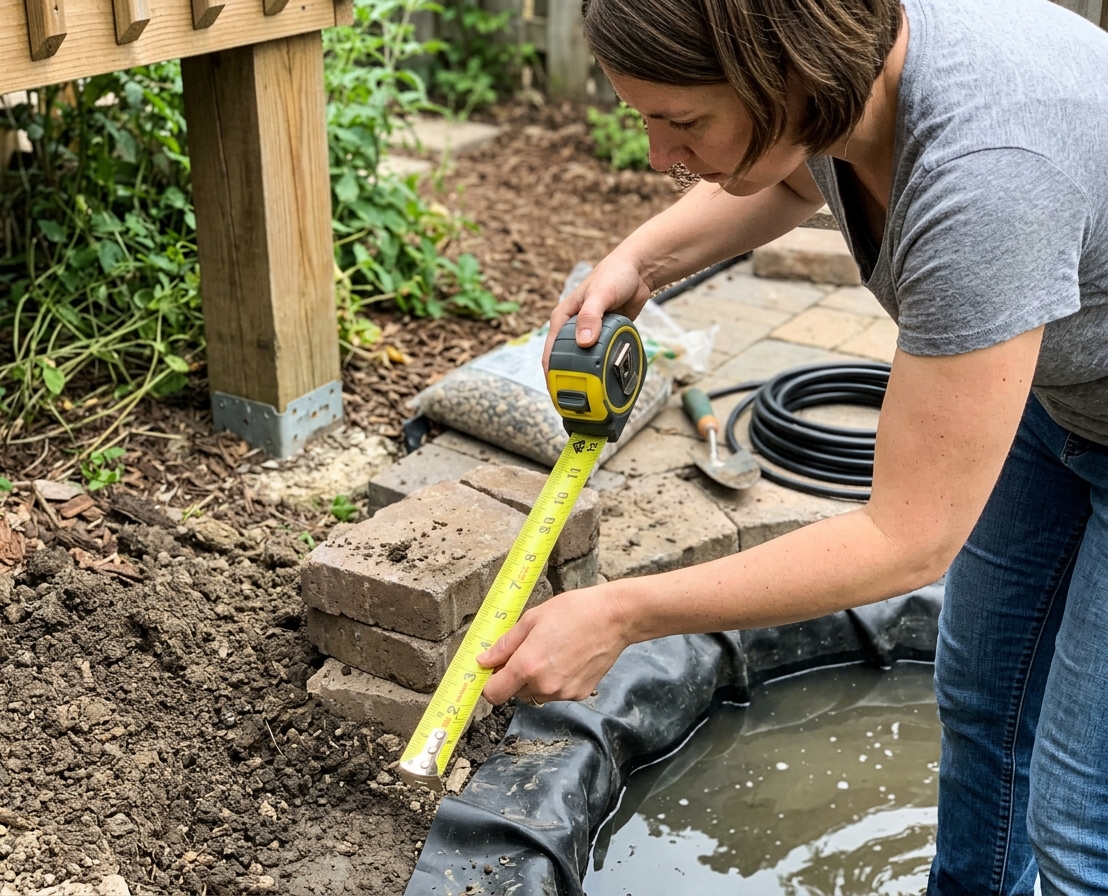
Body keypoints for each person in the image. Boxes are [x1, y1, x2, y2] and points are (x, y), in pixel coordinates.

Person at [474, 0, 1108, 893]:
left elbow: (905, 538)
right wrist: (644, 260)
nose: (659, 157)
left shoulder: (987, 179)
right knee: (987, 710)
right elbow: (793, 175)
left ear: (791, 77)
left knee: (1084, 824)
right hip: (1062, 388)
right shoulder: (851, 66)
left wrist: (624, 612)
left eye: (683, 122)